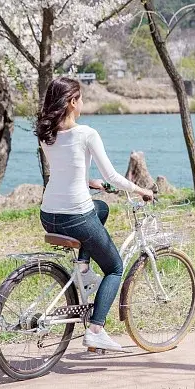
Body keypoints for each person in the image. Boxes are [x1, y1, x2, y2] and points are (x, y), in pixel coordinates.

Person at [35, 77, 154, 352]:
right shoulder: (86, 133)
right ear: (73, 101)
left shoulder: (46, 134)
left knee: (101, 207)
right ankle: (97, 330)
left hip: (49, 213)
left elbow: (66, 169)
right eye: (82, 98)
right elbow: (112, 174)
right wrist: (141, 190)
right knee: (114, 267)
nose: (84, 103)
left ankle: (84, 268)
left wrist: (92, 184)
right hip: (76, 216)